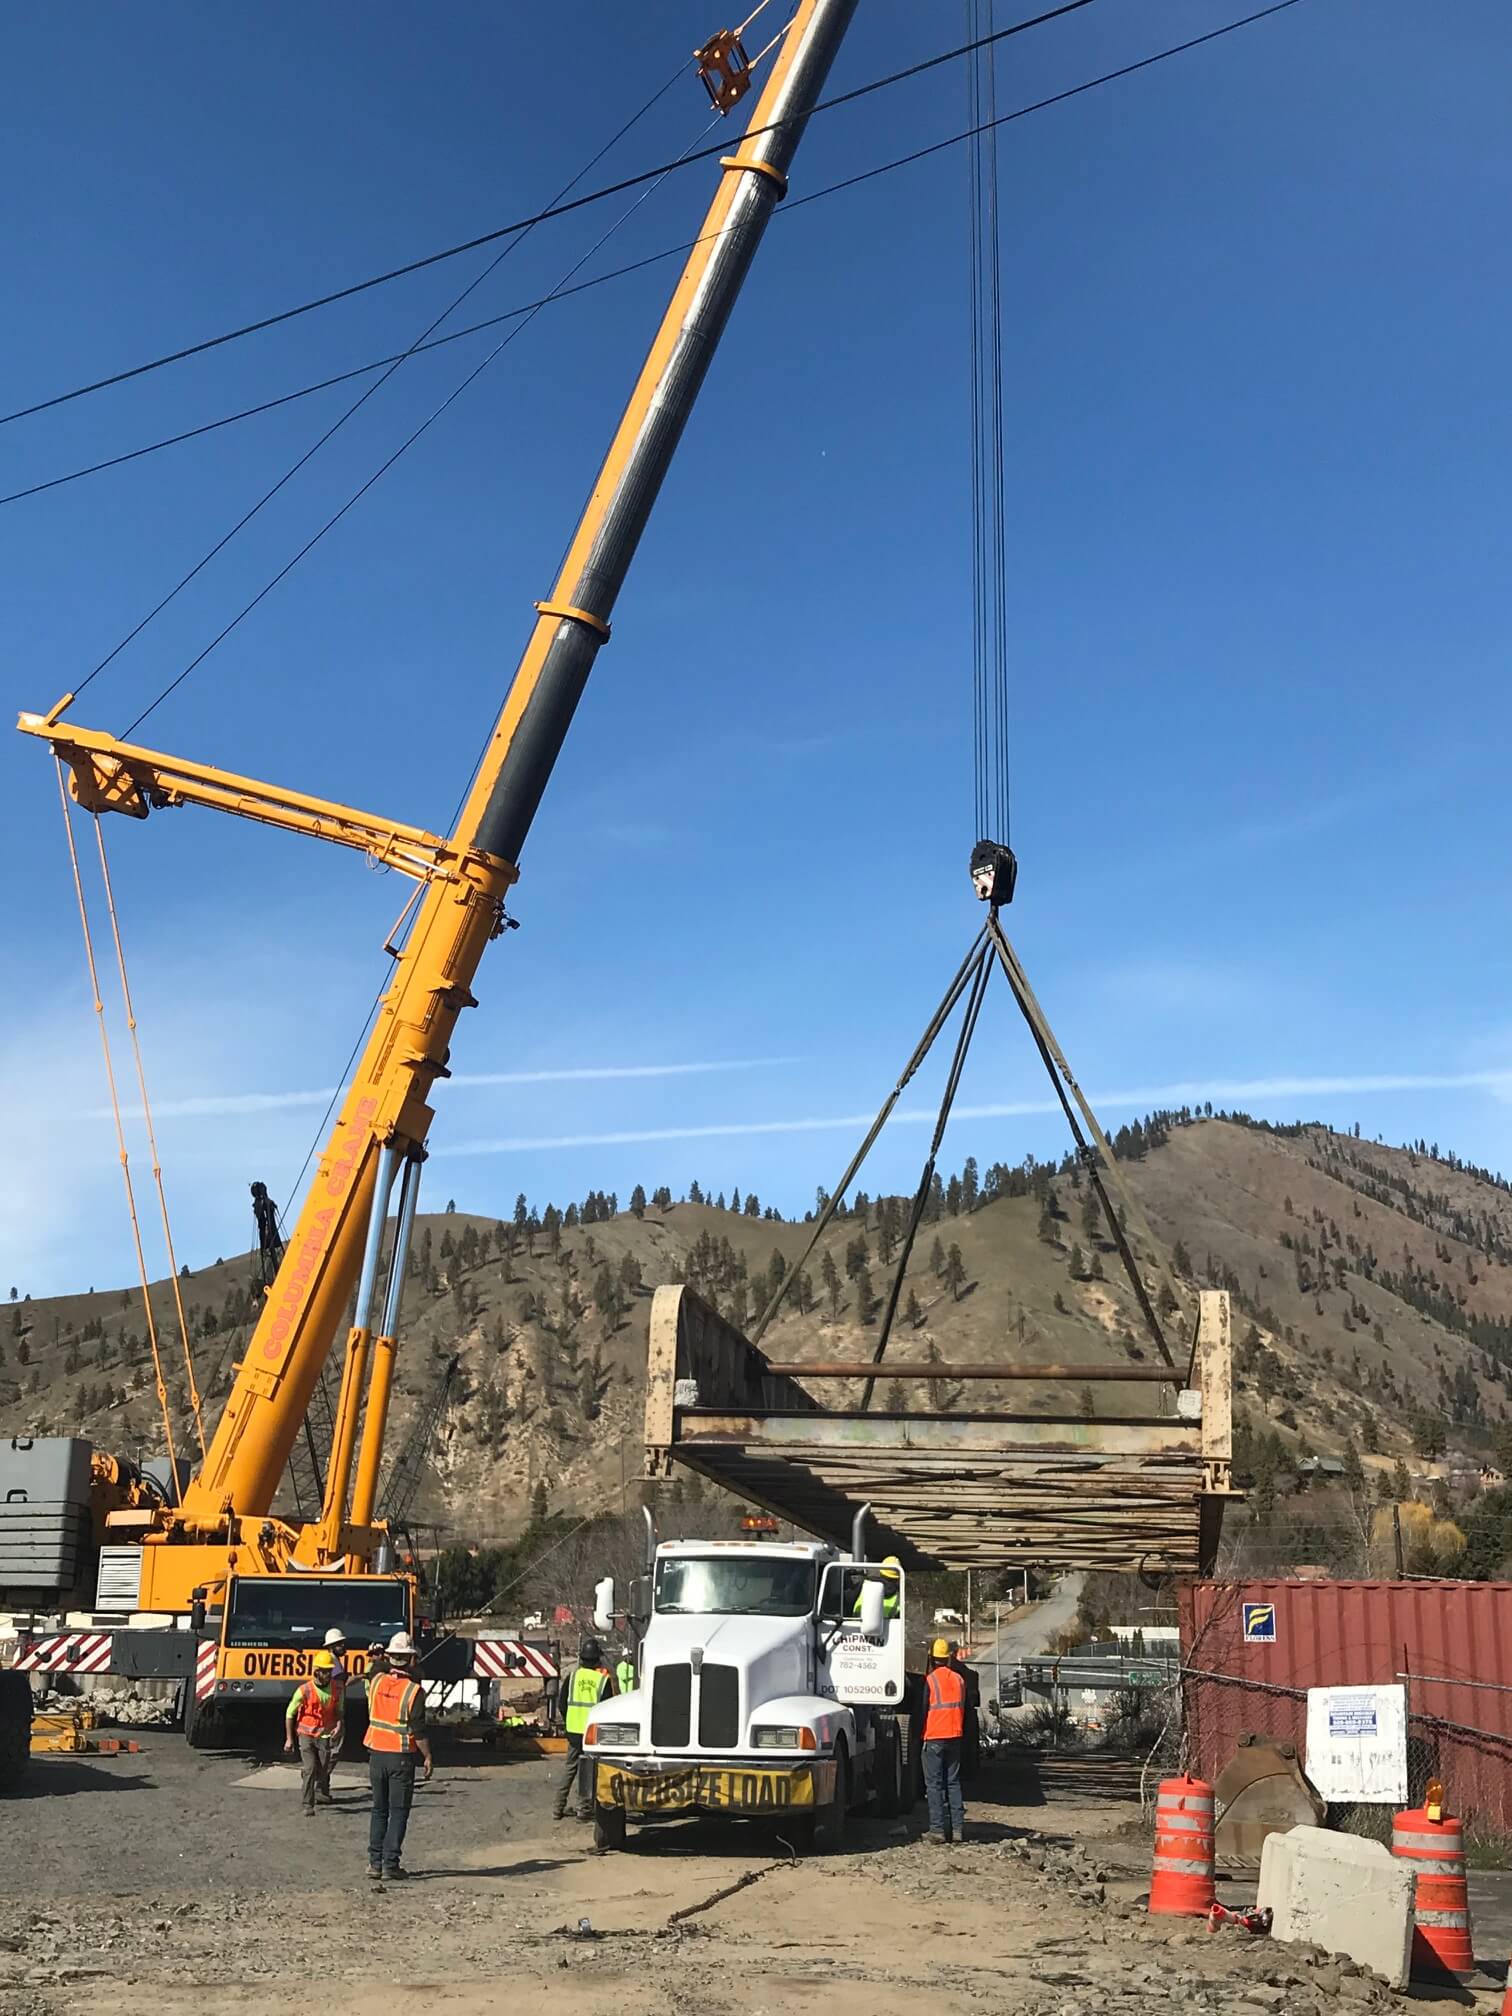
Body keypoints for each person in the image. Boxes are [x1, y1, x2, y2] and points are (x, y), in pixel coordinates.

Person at [364, 1631, 433, 1882]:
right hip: (400, 1756)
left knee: (378, 1809)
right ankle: (390, 1864)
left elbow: (377, 1665)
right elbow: (419, 1729)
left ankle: (374, 1863)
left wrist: (391, 1659)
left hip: (376, 1754)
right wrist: (427, 1756)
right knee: (398, 1811)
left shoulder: (377, 1680)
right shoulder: (414, 1691)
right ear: (411, 1659)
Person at [554, 1636, 616, 1823]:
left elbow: (562, 1704)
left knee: (570, 1769)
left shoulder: (572, 1678)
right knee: (589, 1772)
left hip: (573, 1731)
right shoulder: (602, 1680)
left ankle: (558, 1807)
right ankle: (584, 1810)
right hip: (592, 1734)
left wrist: (569, 1722)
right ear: (597, 1659)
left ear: (581, 1658)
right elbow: (608, 1708)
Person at [285, 1649, 344, 1815]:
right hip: (306, 1736)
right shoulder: (304, 1690)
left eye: (330, 1671)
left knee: (323, 1769)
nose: (328, 1674)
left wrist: (338, 1724)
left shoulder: (335, 1689)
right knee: (310, 1768)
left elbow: (338, 1711)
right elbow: (290, 1713)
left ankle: (313, 1781)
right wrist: (289, 1739)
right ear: (316, 1672)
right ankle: (307, 1805)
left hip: (324, 1735)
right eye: (325, 1671)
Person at [921, 1637, 967, 1845]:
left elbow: (922, 1710)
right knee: (954, 1783)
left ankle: (937, 1830)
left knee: (934, 1785)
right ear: (949, 1659)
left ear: (931, 1658)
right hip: (955, 1736)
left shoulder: (930, 1681)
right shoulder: (959, 1680)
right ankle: (957, 1830)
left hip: (935, 1737)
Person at [850, 1555, 903, 1622]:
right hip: (888, 1631)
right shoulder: (899, 1597)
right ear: (897, 1577)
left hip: (854, 1627)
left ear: (881, 1571)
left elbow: (847, 1601)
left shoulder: (864, 1584)